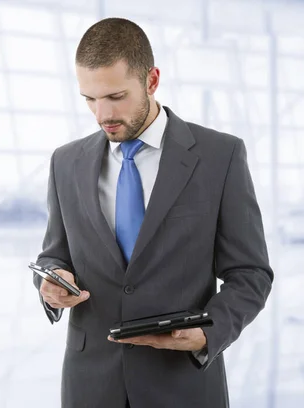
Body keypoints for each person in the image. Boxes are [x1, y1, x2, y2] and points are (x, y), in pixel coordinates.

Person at [32, 18, 273, 408]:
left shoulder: (220, 156)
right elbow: (55, 253)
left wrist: (208, 332)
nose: (101, 114)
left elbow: (250, 273)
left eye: (115, 96)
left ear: (152, 80)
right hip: (90, 385)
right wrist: (52, 283)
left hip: (183, 383)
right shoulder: (66, 162)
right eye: (90, 99)